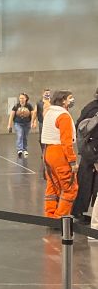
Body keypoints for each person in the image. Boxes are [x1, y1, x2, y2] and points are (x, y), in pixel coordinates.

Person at [42, 90, 77, 218]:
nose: (72, 100)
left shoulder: (49, 113)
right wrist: (72, 161)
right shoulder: (64, 116)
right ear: (63, 100)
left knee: (52, 186)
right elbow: (66, 142)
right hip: (59, 154)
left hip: (47, 152)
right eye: (70, 98)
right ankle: (60, 217)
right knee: (70, 188)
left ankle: (50, 215)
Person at [73, 88, 98, 218]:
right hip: (94, 150)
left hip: (87, 149)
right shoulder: (95, 110)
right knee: (88, 182)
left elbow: (78, 125)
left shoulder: (89, 106)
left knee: (84, 180)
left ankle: (78, 211)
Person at [7, 92, 36, 158]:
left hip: (27, 123)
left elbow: (33, 114)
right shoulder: (16, 106)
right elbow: (11, 116)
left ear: (26, 99)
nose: (21, 99)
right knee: (20, 135)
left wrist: (34, 122)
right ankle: (19, 149)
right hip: (18, 123)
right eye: (20, 98)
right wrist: (9, 125)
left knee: (25, 136)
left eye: (22, 98)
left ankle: (25, 149)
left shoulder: (29, 106)